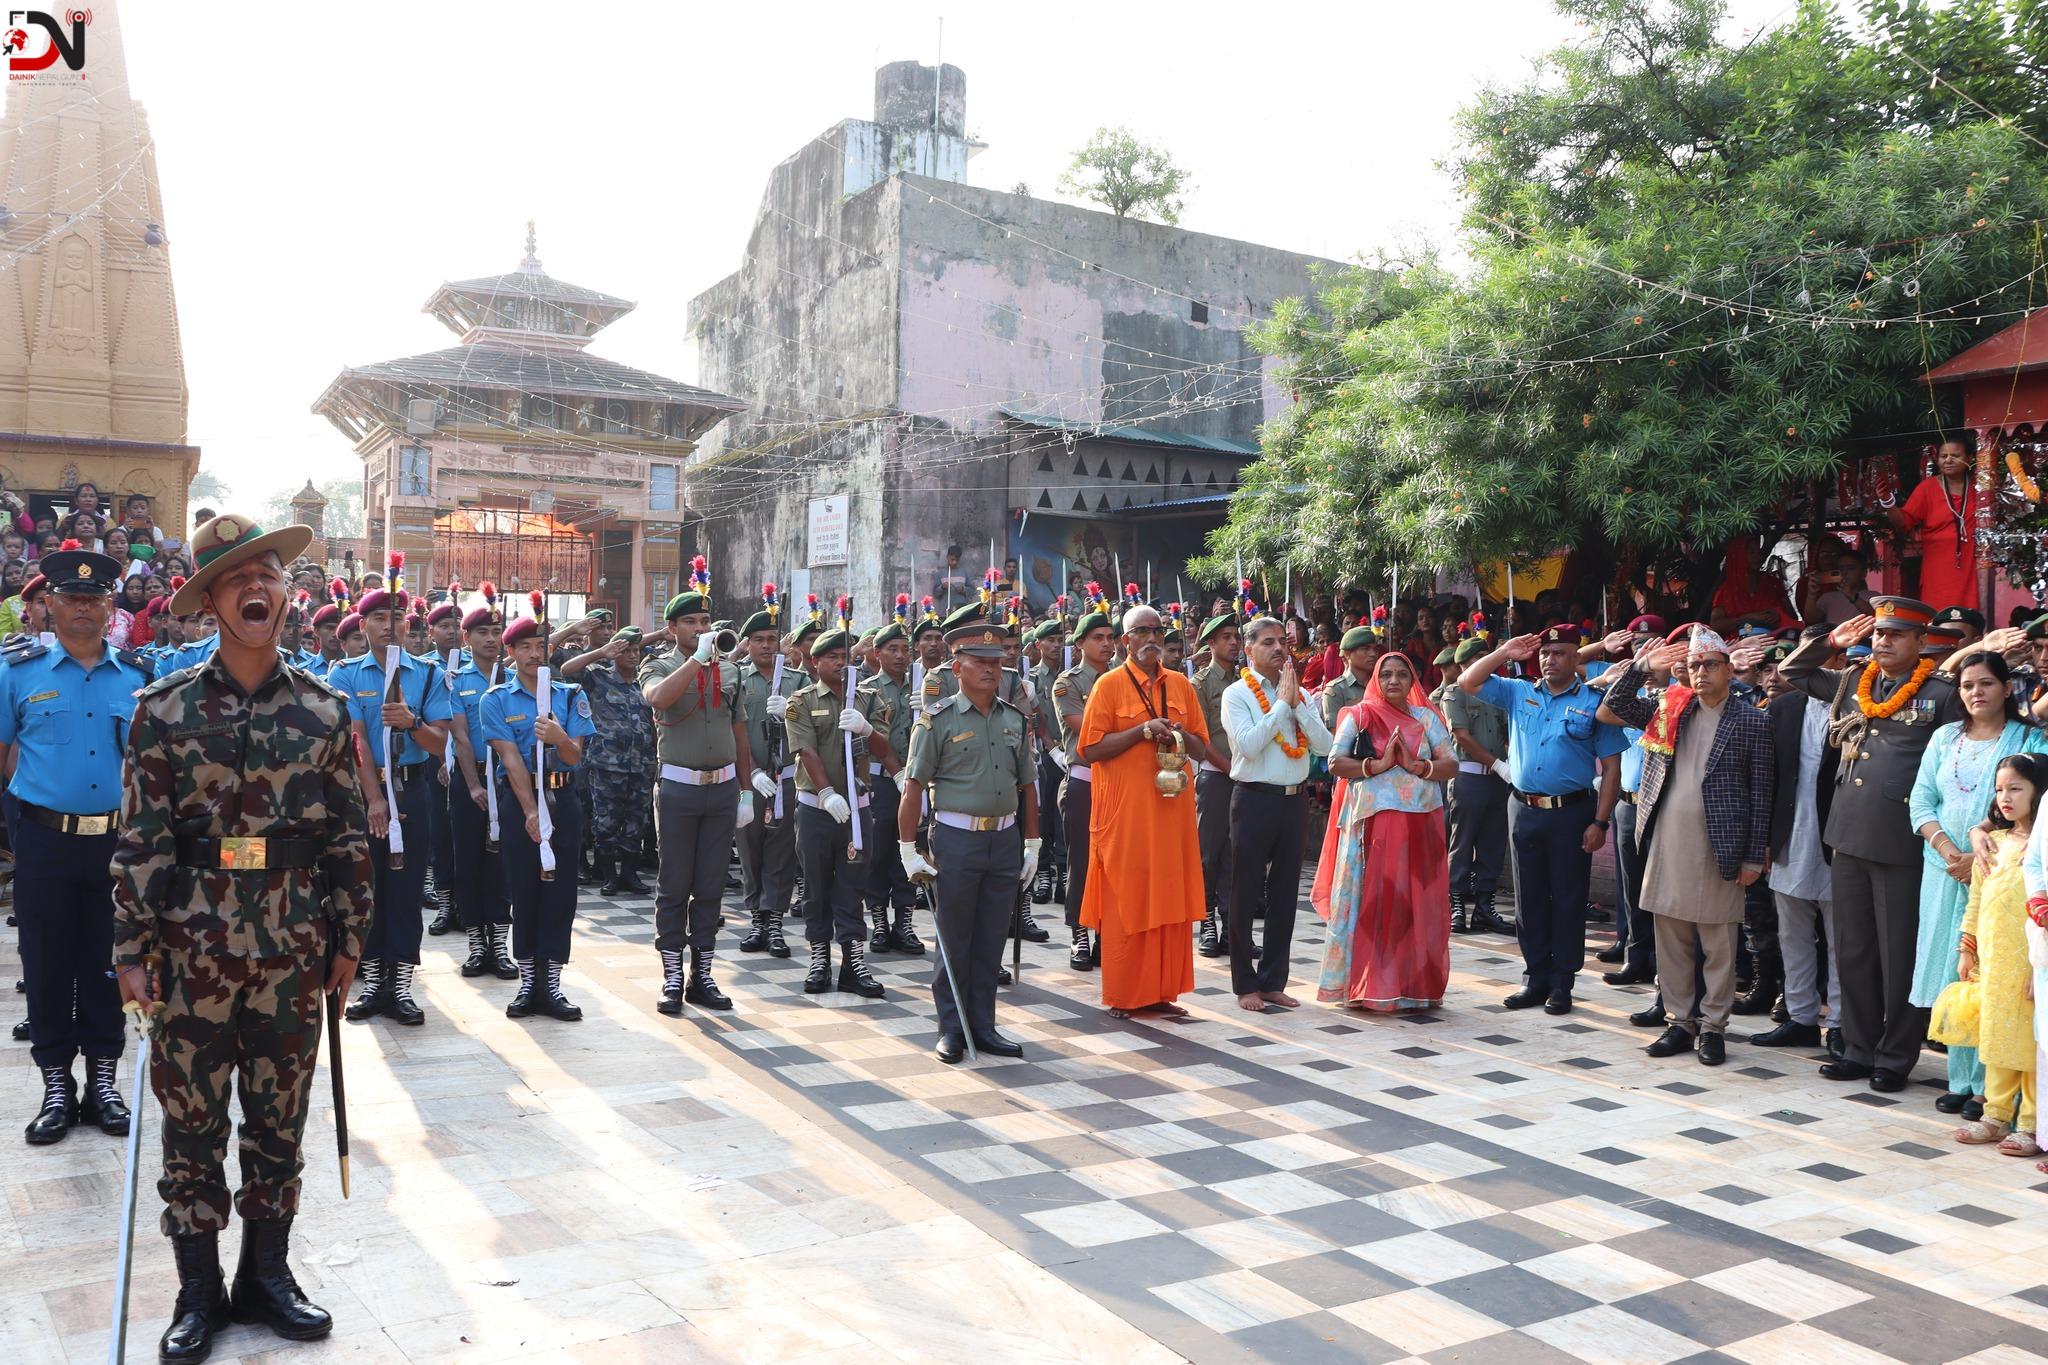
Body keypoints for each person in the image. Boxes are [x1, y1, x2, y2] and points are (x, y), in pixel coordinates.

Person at [111, 511, 368, 1362]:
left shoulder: (325, 711)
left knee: (278, 1121)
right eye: (236, 578)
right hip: (190, 952)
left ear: (287, 593)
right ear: (211, 600)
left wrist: (349, 935)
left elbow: (346, 834)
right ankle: (198, 1291)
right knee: (191, 1127)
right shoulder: (164, 711)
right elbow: (142, 838)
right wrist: (128, 951)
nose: (257, 588)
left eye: (269, 575)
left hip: (292, 951)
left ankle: (268, 1275)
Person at [1781, 599, 1963, 1092]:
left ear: (1921, 642)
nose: (1883, 642)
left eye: (1896, 635)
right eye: (1879, 633)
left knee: (1899, 953)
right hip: (1847, 834)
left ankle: (1896, 1055)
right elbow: (1792, 670)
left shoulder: (1942, 693)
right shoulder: (1853, 681)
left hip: (1902, 841)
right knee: (1854, 950)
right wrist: (1833, 643)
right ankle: (1858, 1049)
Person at [7, 543, 147, 1145]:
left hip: (113, 844)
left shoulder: (139, 677)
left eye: (94, 598)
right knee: (45, 962)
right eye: (70, 598)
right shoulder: (16, 672)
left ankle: (105, 1081)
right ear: (48, 604)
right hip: (44, 842)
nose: (82, 608)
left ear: (109, 605)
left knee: (109, 962)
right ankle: (57, 1085)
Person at [1597, 629, 1775, 1066]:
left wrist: (1755, 855)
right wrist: (1640, 668)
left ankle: (1714, 1026)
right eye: (1695, 665)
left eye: (1711, 664)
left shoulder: (1752, 719)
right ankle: (1680, 1021)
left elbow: (1762, 794)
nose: (1701, 672)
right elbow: (1613, 708)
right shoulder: (1671, 708)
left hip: (1722, 846)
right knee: (1671, 935)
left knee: (1718, 942)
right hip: (1667, 841)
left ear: (1731, 670)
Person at [1458, 624, 1625, 1014]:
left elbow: (1613, 769)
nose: (1551, 660)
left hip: (1572, 812)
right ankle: (1535, 977)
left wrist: (1600, 823)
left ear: (1576, 658)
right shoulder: (1519, 692)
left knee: (1567, 898)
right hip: (1524, 807)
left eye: (1561, 653)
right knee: (1529, 898)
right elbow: (1468, 681)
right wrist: (1504, 651)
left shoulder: (1592, 703)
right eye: (1546, 653)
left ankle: (1562, 983)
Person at [1907, 650, 2043, 1114]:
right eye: (1967, 685)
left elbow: (2037, 805)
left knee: (1999, 977)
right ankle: (1962, 1080)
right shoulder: (1945, 737)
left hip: (2005, 873)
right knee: (1957, 973)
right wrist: (1951, 851)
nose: (1976, 693)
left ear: (2007, 688)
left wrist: (1982, 838)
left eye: (1986, 683)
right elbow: (1920, 802)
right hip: (1943, 873)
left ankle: (1994, 1090)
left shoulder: (2029, 739)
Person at [899, 620, 1040, 1063]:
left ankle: (984, 1025)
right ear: (956, 668)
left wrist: (1032, 843)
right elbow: (914, 786)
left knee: (992, 936)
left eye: (996, 662)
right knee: (955, 937)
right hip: (957, 837)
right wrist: (908, 849)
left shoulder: (1014, 718)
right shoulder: (936, 720)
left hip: (1003, 839)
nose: (990, 669)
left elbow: (1028, 786)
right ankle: (951, 1029)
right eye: (979, 662)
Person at [330, 559, 452, 1027]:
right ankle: (374, 981)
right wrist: (374, 799)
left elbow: (442, 746)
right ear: (363, 625)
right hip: (366, 795)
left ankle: (400, 986)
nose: (389, 626)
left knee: (404, 889)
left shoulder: (427, 674)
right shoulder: (347, 674)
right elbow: (354, 740)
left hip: (414, 789)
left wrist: (412, 724)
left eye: (397, 618)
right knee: (368, 887)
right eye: (378, 618)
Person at [1076, 605, 1212, 1019]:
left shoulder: (1182, 685)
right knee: (1128, 898)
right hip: (1127, 817)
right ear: (1125, 640)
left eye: (1157, 631)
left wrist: (1178, 733)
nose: (1151, 639)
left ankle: (1161, 992)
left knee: (1168, 896)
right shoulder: (1109, 686)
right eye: (1141, 632)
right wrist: (1141, 731)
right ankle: (1125, 993)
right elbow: (1090, 749)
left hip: (1171, 814)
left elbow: (1203, 750)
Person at [1310, 650, 1457, 1010]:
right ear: (1376, 678)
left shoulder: (1426, 718)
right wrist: (1376, 765)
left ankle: (1414, 986)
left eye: (1402, 675)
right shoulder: (1361, 714)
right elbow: (1334, 762)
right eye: (1387, 674)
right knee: (1377, 903)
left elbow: (1450, 764)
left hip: (1420, 823)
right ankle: (1372, 985)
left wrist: (1416, 766)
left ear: (1412, 682)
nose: (1394, 681)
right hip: (1373, 824)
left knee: (1415, 904)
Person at [639, 585, 757, 1014]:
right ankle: (671, 974)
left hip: (722, 789)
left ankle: (701, 974)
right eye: (690, 621)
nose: (701, 628)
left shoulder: (731, 671)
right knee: (674, 885)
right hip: (678, 790)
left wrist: (745, 791)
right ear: (672, 628)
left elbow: (740, 734)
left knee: (710, 886)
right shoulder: (659, 665)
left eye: (705, 621)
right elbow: (658, 699)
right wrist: (695, 659)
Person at [481, 596, 597, 1021]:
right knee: (524, 889)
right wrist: (530, 812)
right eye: (525, 646)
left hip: (562, 798)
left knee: (560, 891)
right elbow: (510, 760)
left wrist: (560, 735)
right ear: (510, 652)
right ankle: (529, 980)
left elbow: (574, 757)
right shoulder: (495, 699)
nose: (534, 654)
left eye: (540, 646)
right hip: (521, 800)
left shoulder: (570, 694)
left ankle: (552, 985)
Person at [1223, 616, 1335, 1012]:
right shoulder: (1238, 694)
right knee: (1245, 891)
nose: (1278, 649)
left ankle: (1273, 980)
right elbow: (1249, 746)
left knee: (1285, 893)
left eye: (1282, 642)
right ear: (1249, 649)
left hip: (1294, 800)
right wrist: (1280, 708)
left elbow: (1325, 745)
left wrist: (1297, 707)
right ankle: (1245, 984)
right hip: (1254, 799)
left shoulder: (1301, 696)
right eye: (1268, 642)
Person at [785, 622, 896, 997]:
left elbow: (884, 748)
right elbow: (806, 750)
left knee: (852, 886)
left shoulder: (867, 699)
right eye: (830, 657)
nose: (839, 664)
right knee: (816, 885)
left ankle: (853, 961)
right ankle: (819, 955)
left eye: (844, 658)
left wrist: (866, 729)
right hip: (818, 808)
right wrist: (829, 792)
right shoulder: (801, 701)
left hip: (858, 808)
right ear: (813, 662)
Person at [1756, 636, 1842, 1054]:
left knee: (1841, 937)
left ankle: (1842, 1023)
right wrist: (1767, 839)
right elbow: (1769, 780)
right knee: (1792, 934)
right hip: (1791, 836)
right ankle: (1801, 1016)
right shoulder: (1784, 708)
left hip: (1840, 840)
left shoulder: (1861, 706)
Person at [1956, 753, 2042, 1153]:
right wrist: (1967, 950)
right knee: (1996, 1036)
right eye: (1999, 789)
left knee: (2029, 1041)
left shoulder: (2040, 850)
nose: (2005, 797)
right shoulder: (1995, 844)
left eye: (2016, 788)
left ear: (2039, 792)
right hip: (1993, 963)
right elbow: (1975, 900)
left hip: (2031, 964)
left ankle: (2029, 1122)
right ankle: (1995, 1113)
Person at [444, 587, 516, 980]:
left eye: (495, 631)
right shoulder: (455, 679)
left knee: (501, 865)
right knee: (469, 862)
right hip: (471, 778)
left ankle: (500, 945)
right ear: (467, 638)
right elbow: (461, 737)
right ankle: (476, 944)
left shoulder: (515, 677)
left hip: (510, 781)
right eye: (482, 632)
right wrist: (474, 786)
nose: (490, 638)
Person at [561, 626, 656, 897]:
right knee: (606, 822)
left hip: (641, 765)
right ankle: (609, 876)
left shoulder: (646, 682)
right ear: (614, 653)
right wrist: (600, 653)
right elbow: (567, 670)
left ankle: (630, 873)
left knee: (637, 820)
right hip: (606, 765)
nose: (632, 655)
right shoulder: (598, 678)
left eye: (636, 650)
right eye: (625, 650)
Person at [735, 598, 799, 957]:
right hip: (747, 780)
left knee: (781, 850)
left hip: (786, 777)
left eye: (771, 640)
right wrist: (754, 772)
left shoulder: (797, 680)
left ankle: (774, 920)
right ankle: (756, 918)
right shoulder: (736, 678)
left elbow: (809, 729)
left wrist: (788, 711)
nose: (765, 646)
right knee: (749, 847)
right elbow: (730, 732)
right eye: (758, 639)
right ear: (747, 642)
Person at [1054, 602, 1114, 969]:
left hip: (1119, 786)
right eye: (1098, 638)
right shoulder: (1069, 682)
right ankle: (1078, 933)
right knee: (1081, 861)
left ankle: (1107, 932)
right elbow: (1087, 730)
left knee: (1113, 863)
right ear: (1080, 643)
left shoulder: (1124, 678)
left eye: (1110, 638)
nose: (1107, 644)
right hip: (1084, 781)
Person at [1442, 634, 1515, 937]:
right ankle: (1457, 904)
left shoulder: (1497, 692)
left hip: (1498, 779)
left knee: (1492, 844)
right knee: (1462, 844)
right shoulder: (1454, 693)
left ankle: (1485, 907)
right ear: (1464, 665)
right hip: (1468, 775)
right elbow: (1462, 736)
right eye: (1479, 661)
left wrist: (1506, 765)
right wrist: (1496, 763)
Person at [862, 614, 924, 954]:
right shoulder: (868, 690)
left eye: (905, 649)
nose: (901, 656)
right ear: (877, 653)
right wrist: (897, 773)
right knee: (879, 853)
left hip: (914, 780)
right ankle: (880, 922)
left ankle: (904, 922)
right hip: (882, 782)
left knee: (908, 849)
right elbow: (873, 739)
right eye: (893, 649)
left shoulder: (922, 684)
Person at [1191, 612, 1241, 954]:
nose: (1234, 642)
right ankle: (1206, 921)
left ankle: (1231, 927)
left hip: (1244, 776)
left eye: (1236, 637)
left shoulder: (1247, 680)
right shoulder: (1200, 683)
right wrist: (1230, 769)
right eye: (1226, 637)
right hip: (1215, 775)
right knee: (1208, 854)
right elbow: (1200, 736)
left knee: (1237, 855)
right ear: (1211, 644)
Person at [1888, 436, 1982, 610]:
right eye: (1943, 456)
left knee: (1973, 618)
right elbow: (1904, 523)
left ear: (1969, 458)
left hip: (1974, 565)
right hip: (1939, 569)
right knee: (1939, 621)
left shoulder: (1981, 487)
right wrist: (1888, 503)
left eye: (1955, 455)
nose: (1948, 460)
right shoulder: (1927, 488)